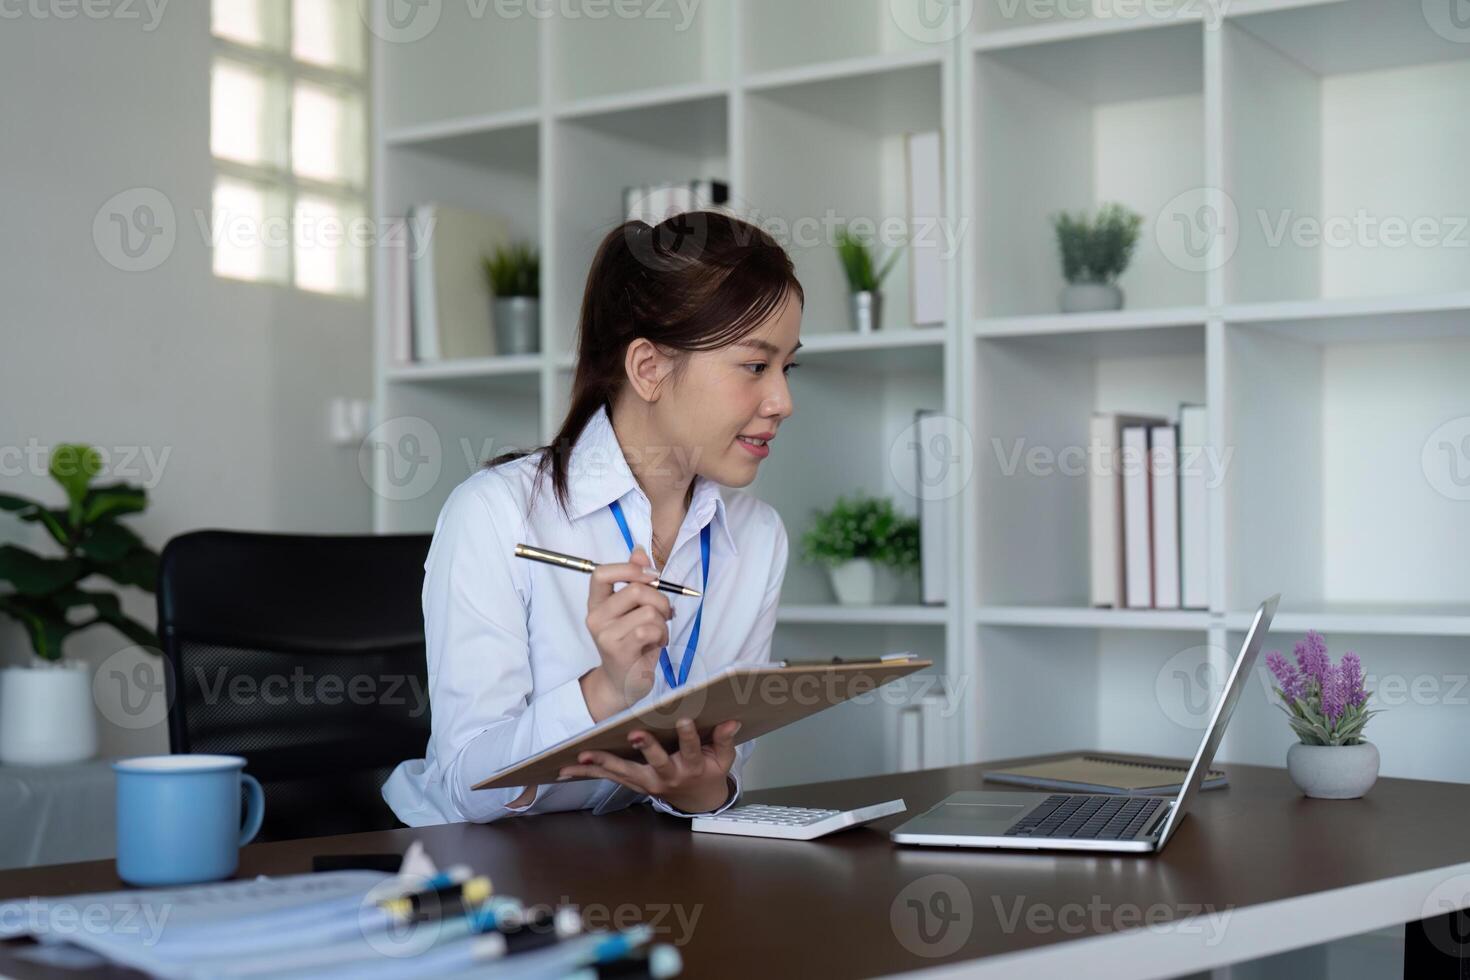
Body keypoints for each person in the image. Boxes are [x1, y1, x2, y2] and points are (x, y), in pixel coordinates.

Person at [383, 212, 803, 825]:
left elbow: (725, 768)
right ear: (649, 369)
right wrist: (603, 693)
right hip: (478, 872)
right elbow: (467, 788)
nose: (783, 402)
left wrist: (703, 791)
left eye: (788, 368)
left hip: (637, 860)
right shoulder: (497, 514)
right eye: (754, 366)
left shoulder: (758, 535)